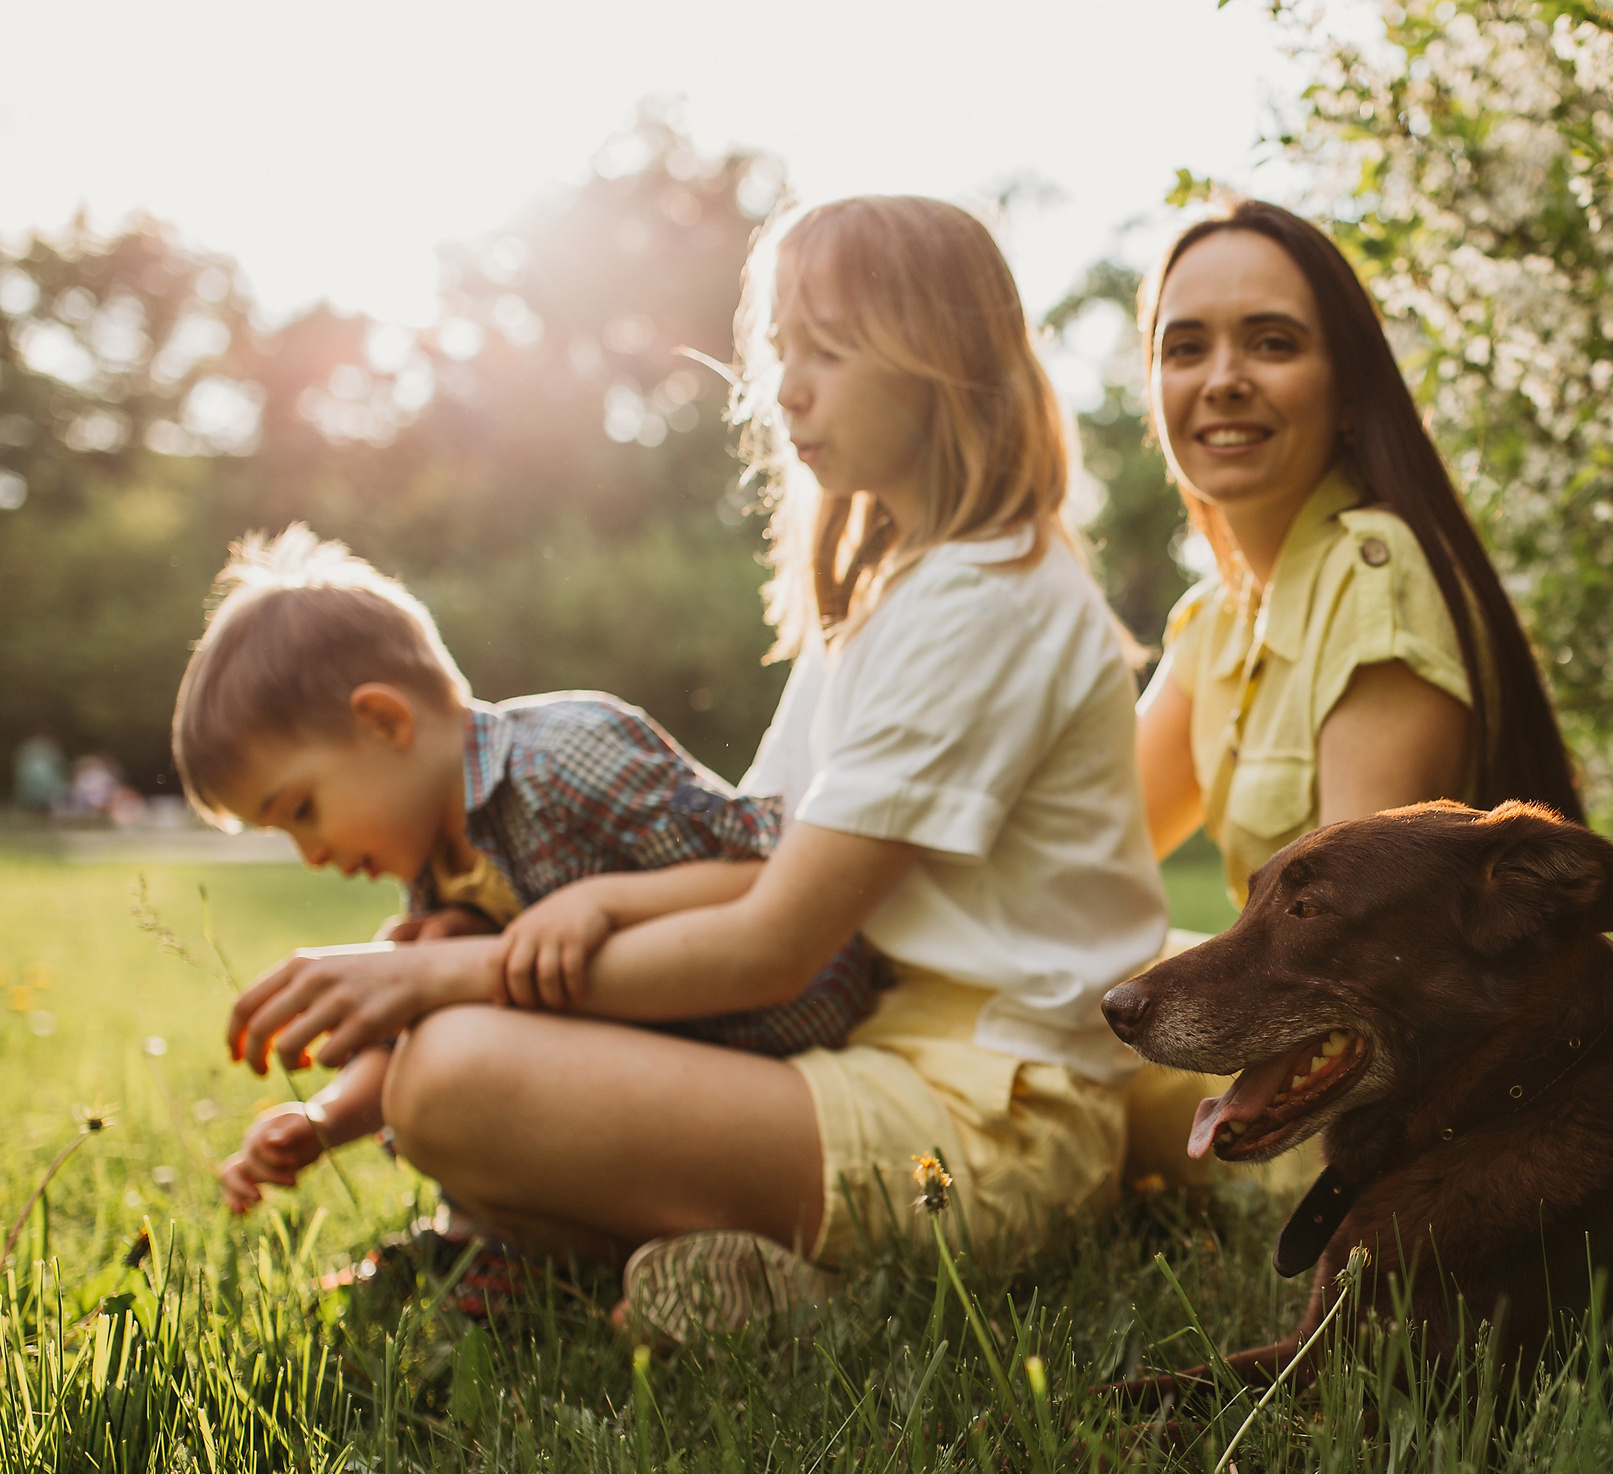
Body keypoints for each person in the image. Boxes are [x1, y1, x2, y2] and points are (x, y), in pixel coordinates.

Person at [223, 196, 1166, 1338]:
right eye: (780, 354)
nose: (788, 390)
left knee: (451, 1074)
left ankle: (826, 1301)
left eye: (828, 350)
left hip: (994, 1124)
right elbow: (758, 850)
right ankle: (729, 1270)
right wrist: (515, 938)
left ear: (943, 359)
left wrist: (440, 979)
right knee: (455, 1061)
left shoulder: (985, 601)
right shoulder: (893, 599)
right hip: (877, 1062)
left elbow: (776, 942)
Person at [168, 526, 876, 1241]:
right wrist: (324, 1120)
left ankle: (534, 1248)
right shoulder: (438, 877)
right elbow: (406, 1034)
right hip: (661, 1086)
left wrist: (601, 901)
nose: (310, 854)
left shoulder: (562, 755)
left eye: (302, 810)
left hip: (790, 1045)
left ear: (383, 721)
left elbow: (760, 870)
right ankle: (516, 1248)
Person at [1122, 200, 1584, 1188]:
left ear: (1345, 390)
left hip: (1358, 1118)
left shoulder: (1375, 577)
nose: (1222, 379)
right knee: (1030, 992)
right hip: (1270, 1055)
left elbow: (1351, 960)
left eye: (1273, 343)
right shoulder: (1215, 619)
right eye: (1184, 347)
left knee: (1034, 1053)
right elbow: (1087, 835)